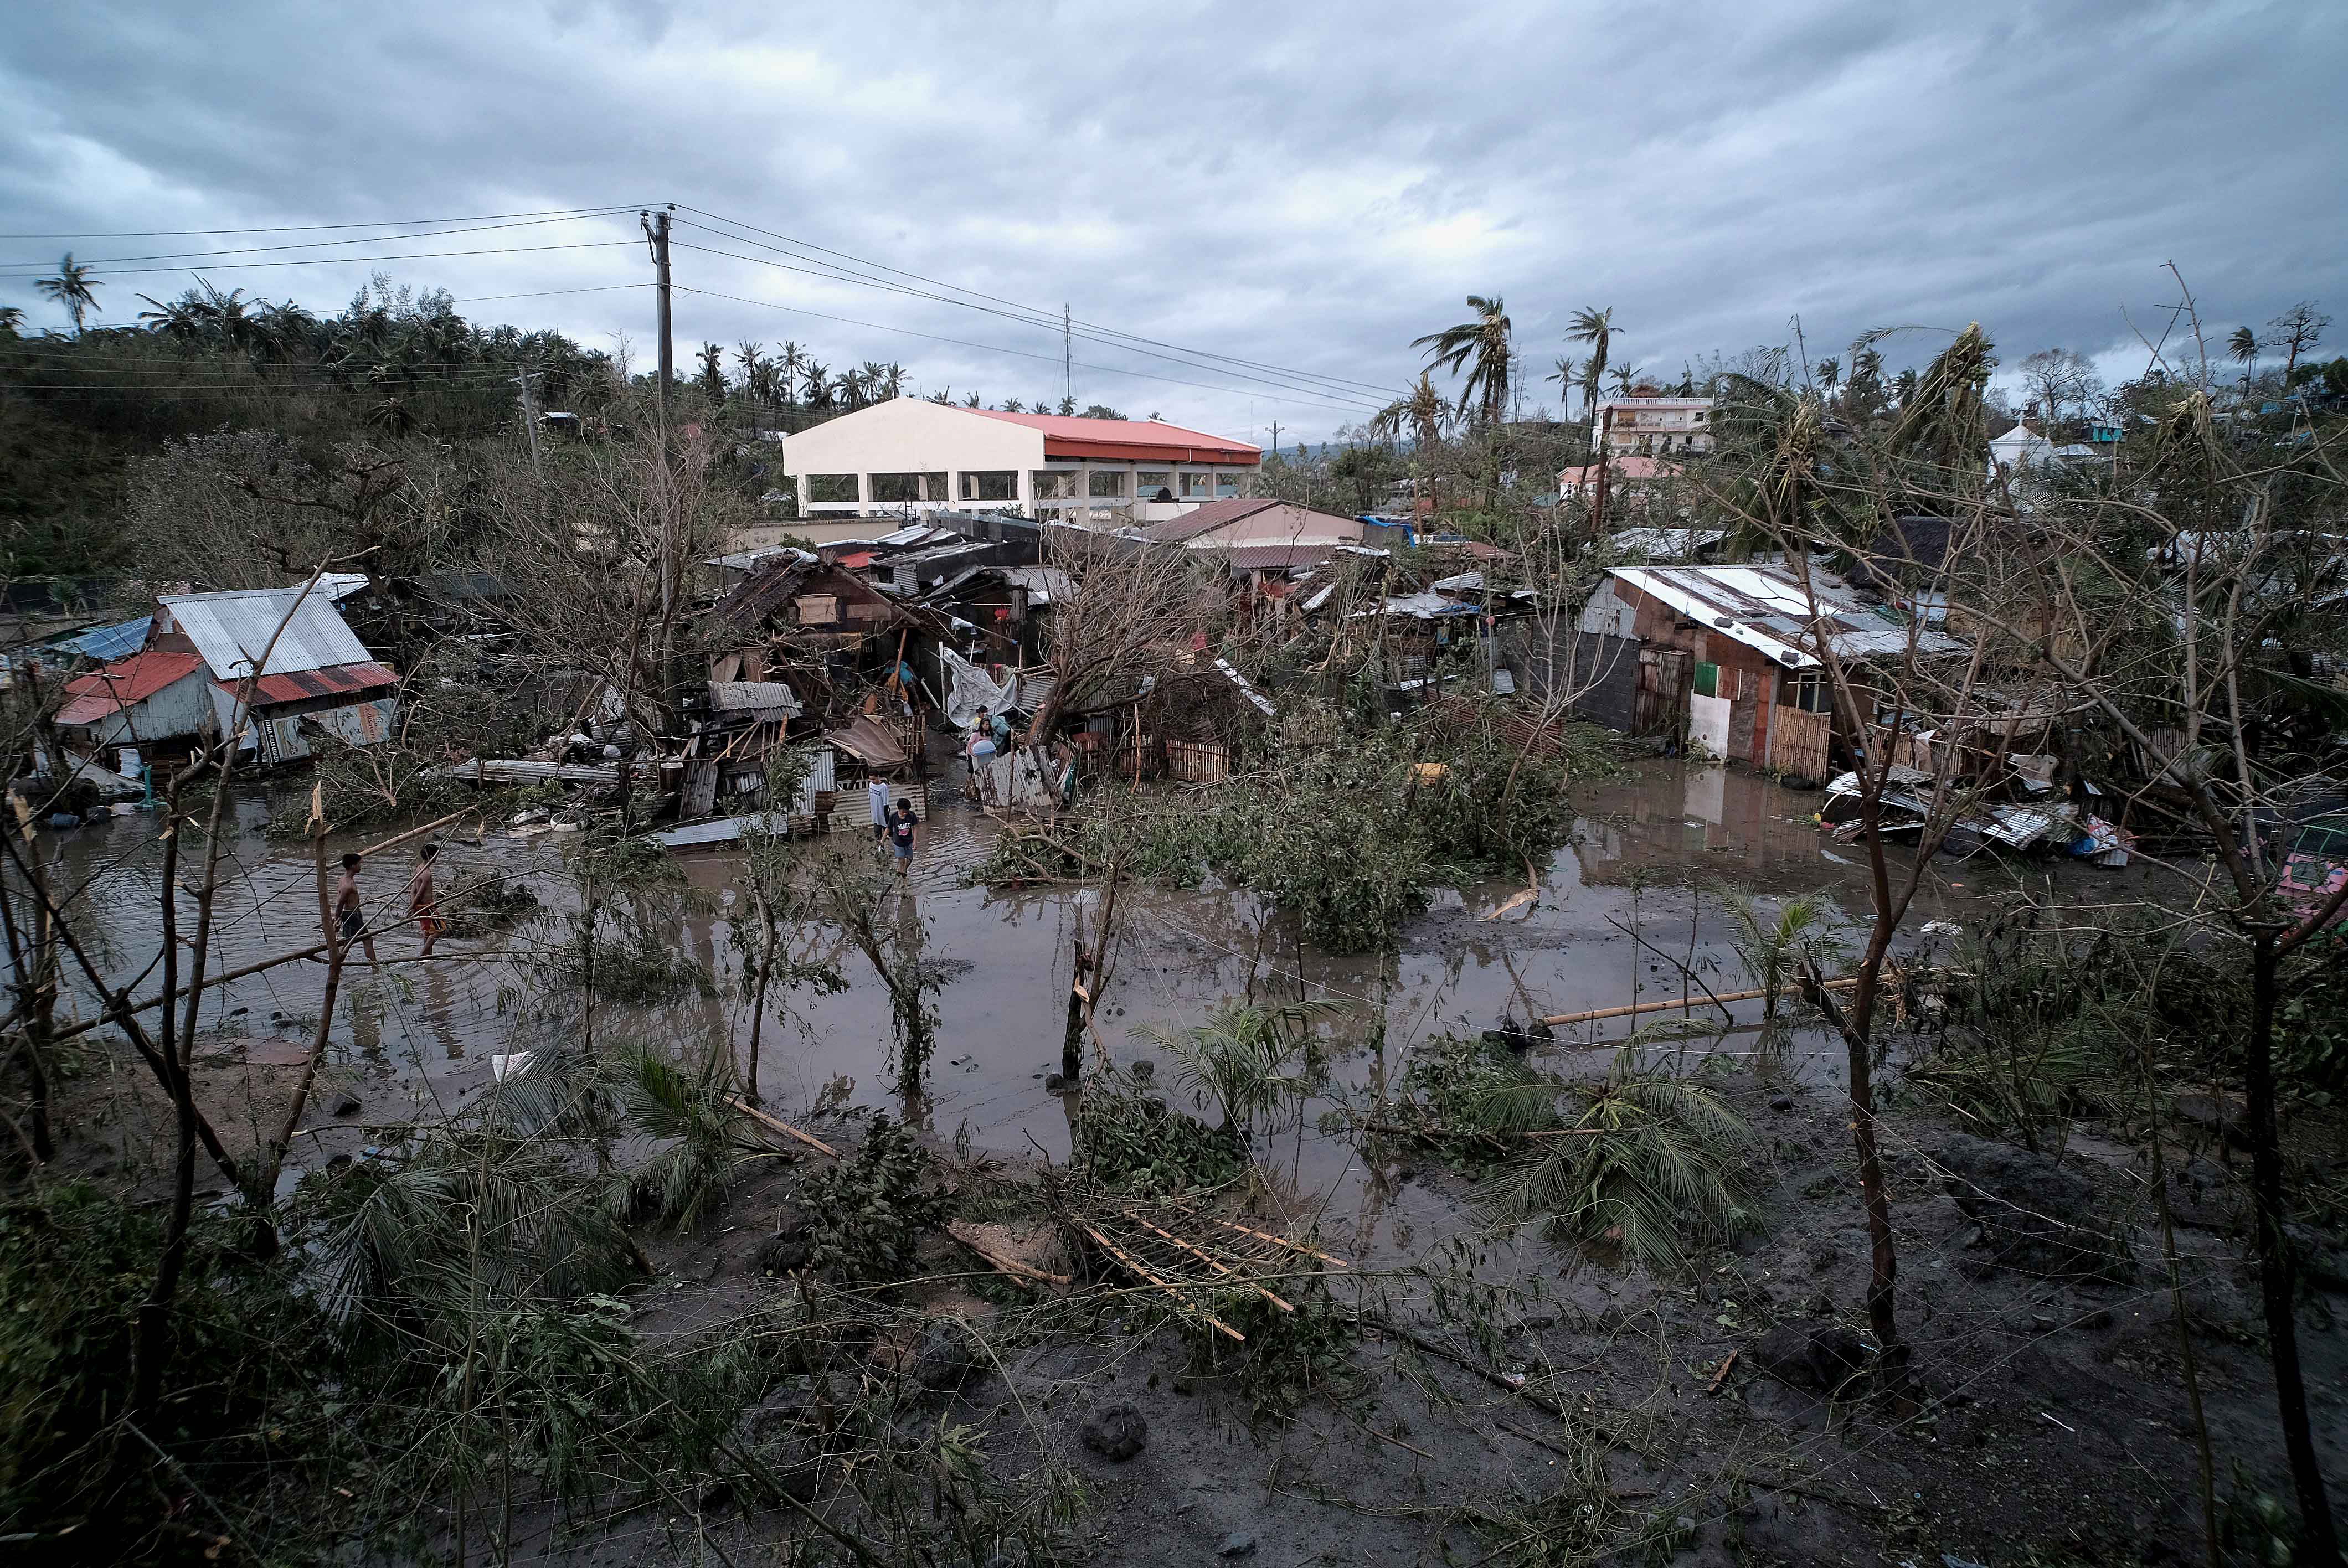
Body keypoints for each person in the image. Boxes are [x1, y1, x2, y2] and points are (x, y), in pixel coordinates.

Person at [333, 852, 377, 966]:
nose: (360, 867)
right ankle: (375, 966)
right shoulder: (347, 885)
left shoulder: (345, 879)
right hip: (352, 915)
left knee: (347, 942)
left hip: (352, 914)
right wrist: (336, 919)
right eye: (359, 864)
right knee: (366, 940)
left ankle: (337, 965)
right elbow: (339, 904)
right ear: (353, 866)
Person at [409, 843, 442, 958]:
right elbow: (420, 893)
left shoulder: (418, 869)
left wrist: (414, 906)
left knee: (428, 931)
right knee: (439, 930)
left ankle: (428, 957)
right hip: (427, 907)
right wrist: (412, 907)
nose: (437, 858)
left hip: (420, 906)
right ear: (431, 856)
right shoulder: (427, 874)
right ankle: (423, 954)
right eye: (436, 855)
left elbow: (413, 891)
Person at [887, 797, 919, 873]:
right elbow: (888, 828)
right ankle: (903, 879)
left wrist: (915, 841)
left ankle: (902, 872)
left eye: (907, 812)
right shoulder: (894, 817)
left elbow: (915, 828)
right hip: (898, 843)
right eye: (903, 812)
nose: (905, 814)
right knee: (902, 862)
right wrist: (882, 840)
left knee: (909, 860)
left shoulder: (912, 815)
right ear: (899, 809)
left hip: (909, 842)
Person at [867, 775, 892, 842]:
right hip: (875, 815)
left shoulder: (883, 787)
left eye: (874, 779)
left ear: (878, 777)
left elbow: (886, 803)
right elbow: (871, 798)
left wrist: (886, 816)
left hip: (883, 814)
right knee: (877, 835)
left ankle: (895, 849)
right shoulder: (871, 785)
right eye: (871, 779)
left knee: (890, 833)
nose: (872, 781)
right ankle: (880, 850)